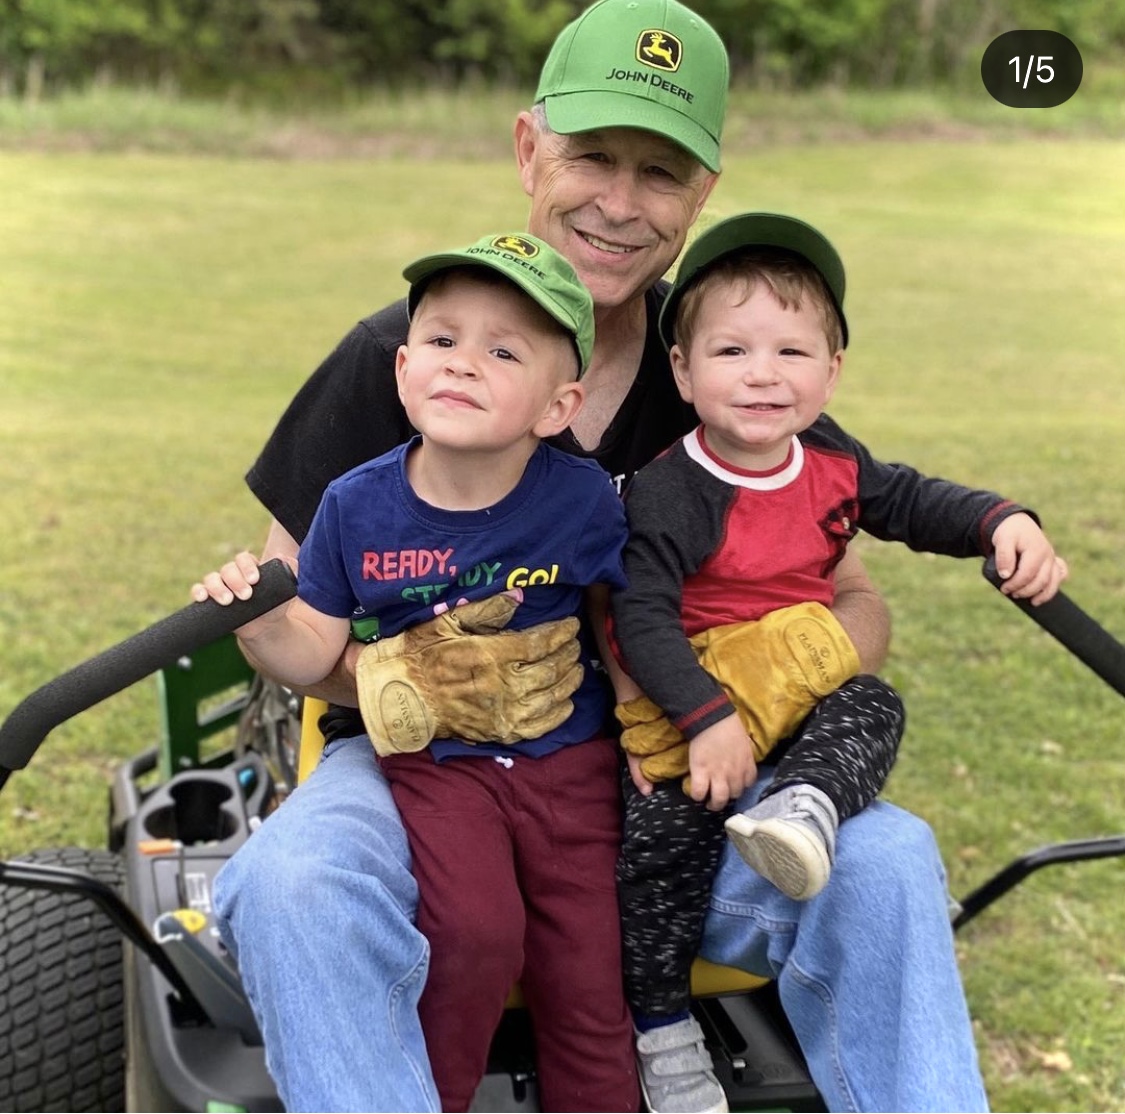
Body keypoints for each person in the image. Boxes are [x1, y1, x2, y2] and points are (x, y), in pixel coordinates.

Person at [210, 0, 994, 1110]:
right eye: (592, 157)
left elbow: (853, 592)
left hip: (672, 776)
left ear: (703, 192)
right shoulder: (406, 356)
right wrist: (427, 676)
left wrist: (769, 678)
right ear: (529, 147)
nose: (621, 204)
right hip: (423, 771)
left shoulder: (724, 364)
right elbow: (295, 616)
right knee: (296, 883)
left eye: (661, 172)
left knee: (888, 859)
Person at [604, 211, 1067, 1112]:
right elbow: (640, 617)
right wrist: (705, 718)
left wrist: (999, 520)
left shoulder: (830, 462)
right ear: (683, 372)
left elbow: (911, 499)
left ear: (831, 371)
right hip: (692, 703)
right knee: (657, 854)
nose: (763, 376)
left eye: (791, 352)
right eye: (732, 351)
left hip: (798, 702)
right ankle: (662, 1033)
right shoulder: (670, 489)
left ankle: (806, 807)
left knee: (871, 703)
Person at [194, 233, 640, 1111]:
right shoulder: (355, 504)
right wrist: (254, 624)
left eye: (502, 350)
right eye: (441, 340)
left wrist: (645, 722)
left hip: (570, 765)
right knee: (473, 936)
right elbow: (312, 650)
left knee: (588, 970)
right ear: (401, 370)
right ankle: (430, 1096)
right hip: (438, 767)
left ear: (559, 405)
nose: (463, 364)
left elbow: (618, 617)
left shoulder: (581, 497)